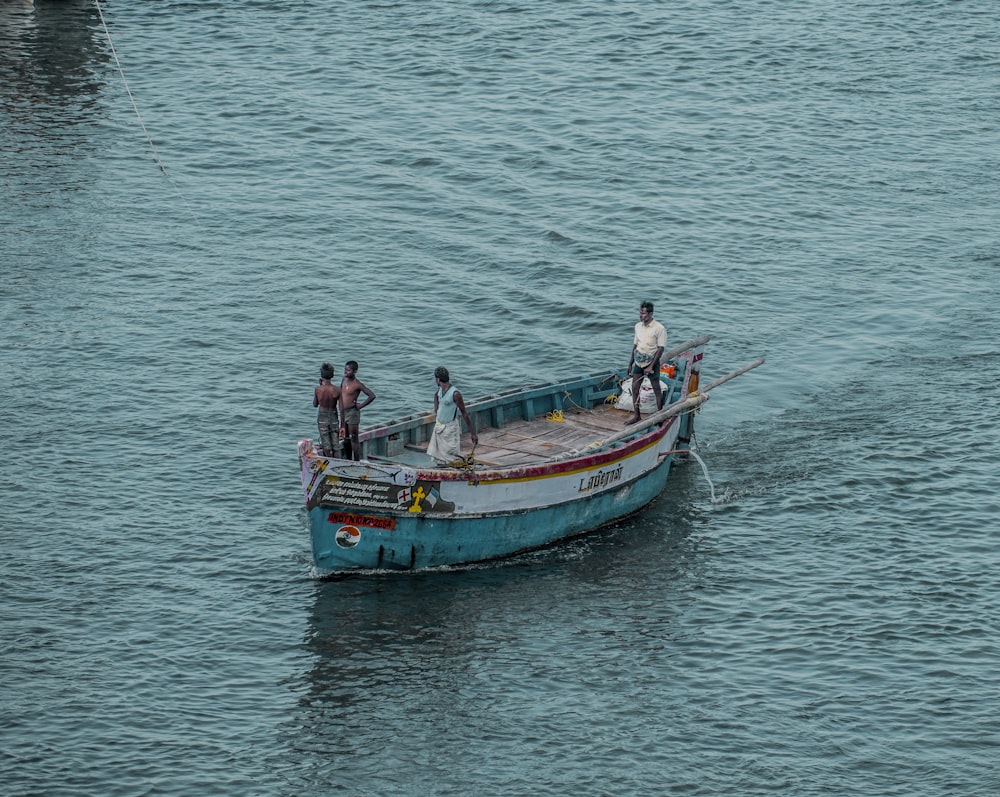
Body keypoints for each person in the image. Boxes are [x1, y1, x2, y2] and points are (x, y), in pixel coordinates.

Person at [626, 299, 667, 424]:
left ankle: (660, 415)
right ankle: (637, 415)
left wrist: (651, 366)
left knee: (656, 388)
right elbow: (635, 346)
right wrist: (630, 364)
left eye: (643, 313)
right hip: (639, 360)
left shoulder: (659, 328)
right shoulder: (638, 326)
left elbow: (660, 349)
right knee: (635, 388)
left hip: (651, 361)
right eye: (640, 313)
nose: (641, 315)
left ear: (650, 314)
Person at [427, 366, 478, 466]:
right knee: (439, 457)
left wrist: (473, 433)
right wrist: (436, 409)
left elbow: (464, 413)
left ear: (438, 380)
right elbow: (436, 396)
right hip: (440, 427)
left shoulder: (455, 394)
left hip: (450, 428)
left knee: (451, 456)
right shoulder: (439, 391)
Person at [340, 360, 375, 460]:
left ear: (355, 371)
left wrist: (360, 406)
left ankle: (356, 461)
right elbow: (340, 392)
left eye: (348, 370)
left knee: (354, 438)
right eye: (345, 369)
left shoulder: (357, 384)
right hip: (344, 412)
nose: (345, 372)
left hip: (352, 413)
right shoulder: (344, 379)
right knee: (346, 439)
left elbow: (372, 396)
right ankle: (348, 459)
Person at [313, 362, 343, 457]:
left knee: (326, 443)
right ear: (332, 375)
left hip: (322, 416)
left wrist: (320, 385)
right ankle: (337, 462)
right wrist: (342, 425)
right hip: (333, 415)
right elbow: (341, 409)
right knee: (335, 444)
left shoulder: (318, 389)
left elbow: (315, 404)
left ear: (321, 375)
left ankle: (328, 463)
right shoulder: (337, 390)